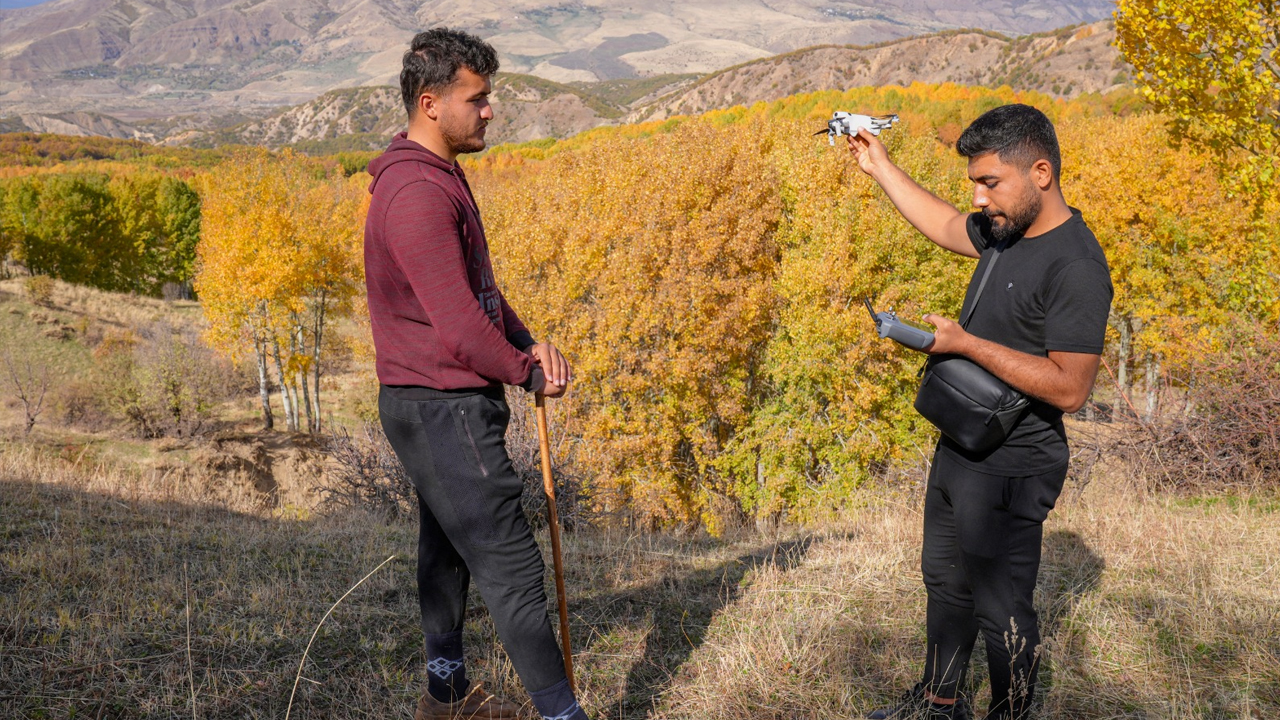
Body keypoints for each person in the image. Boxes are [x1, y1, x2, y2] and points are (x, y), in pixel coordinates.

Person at [847, 104, 1113, 719]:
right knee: (943, 582)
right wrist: (880, 167)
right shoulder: (1005, 229)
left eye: (989, 181)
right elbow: (942, 224)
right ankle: (939, 703)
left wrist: (966, 346)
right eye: (975, 182)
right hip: (962, 446)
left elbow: (1072, 388)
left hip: (1015, 464)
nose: (978, 196)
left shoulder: (1075, 264)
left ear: (1040, 172)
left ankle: (1011, 713)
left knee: (1003, 608)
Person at [363, 27, 584, 720]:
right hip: (442, 407)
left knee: (447, 550)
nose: (490, 111)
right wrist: (525, 372)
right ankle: (560, 713)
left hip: (435, 403)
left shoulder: (437, 176)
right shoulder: (418, 196)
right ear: (431, 103)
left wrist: (524, 339)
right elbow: (458, 328)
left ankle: (447, 695)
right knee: (511, 567)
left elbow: (477, 291)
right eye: (478, 98)